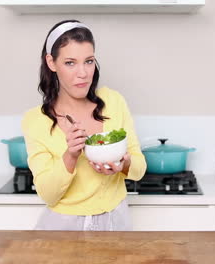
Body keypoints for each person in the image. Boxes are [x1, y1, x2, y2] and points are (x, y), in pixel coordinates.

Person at [21, 19, 147, 231]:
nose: (83, 73)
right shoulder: (35, 120)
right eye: (70, 63)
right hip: (63, 228)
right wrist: (70, 156)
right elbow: (48, 194)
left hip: (116, 222)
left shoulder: (113, 102)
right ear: (52, 63)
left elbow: (139, 168)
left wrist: (122, 165)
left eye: (88, 61)